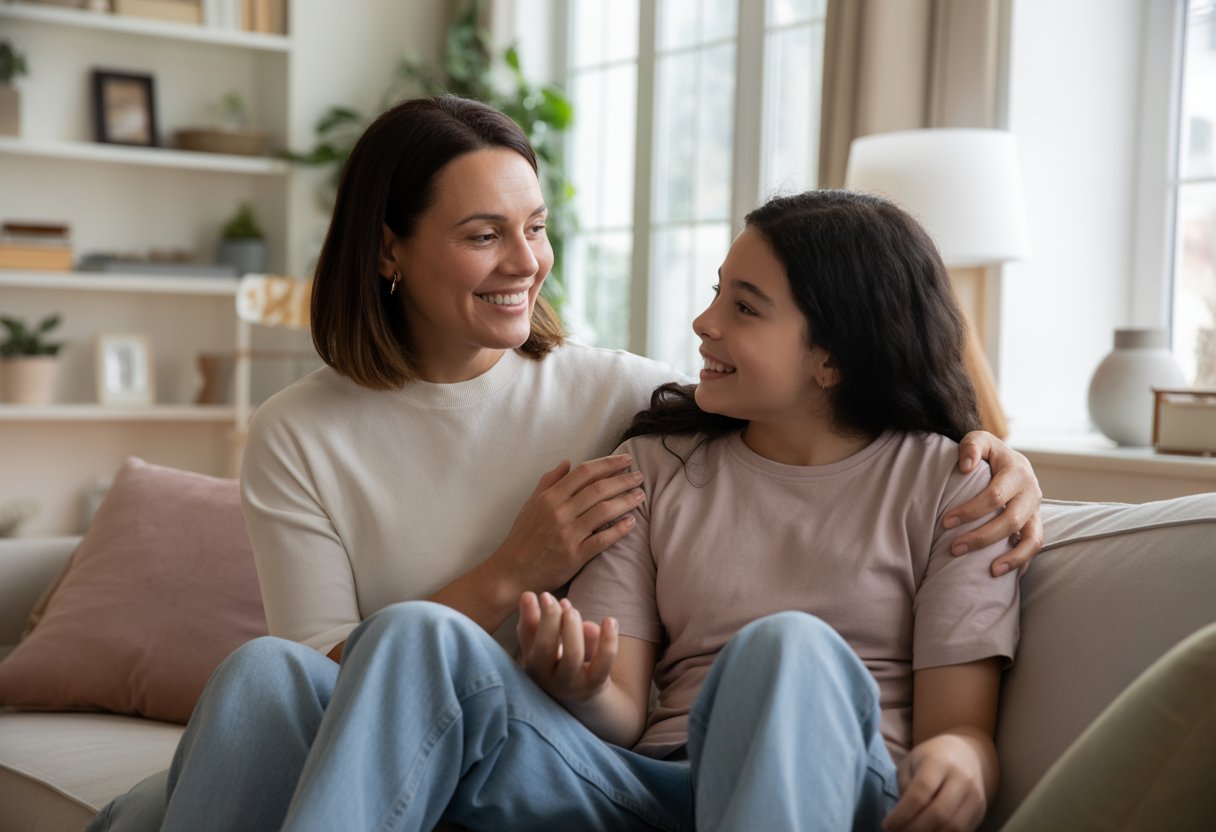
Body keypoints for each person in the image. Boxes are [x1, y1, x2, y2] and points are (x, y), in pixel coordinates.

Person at [86, 96, 1044, 832]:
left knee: (782, 645)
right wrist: (514, 578)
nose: (524, 260)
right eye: (481, 234)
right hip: (506, 743)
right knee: (262, 673)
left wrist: (1008, 461)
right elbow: (325, 681)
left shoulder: (634, 403)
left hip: (702, 749)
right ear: (389, 251)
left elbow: (815, 400)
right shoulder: (303, 433)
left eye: (534, 225)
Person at [524, 189, 1019, 831]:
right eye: (716, 292)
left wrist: (960, 764)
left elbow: (962, 731)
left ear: (832, 359)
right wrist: (582, 688)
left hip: (845, 785)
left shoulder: (956, 487)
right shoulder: (652, 467)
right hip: (669, 786)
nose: (705, 322)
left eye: (745, 307)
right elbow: (623, 716)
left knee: (787, 645)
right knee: (423, 640)